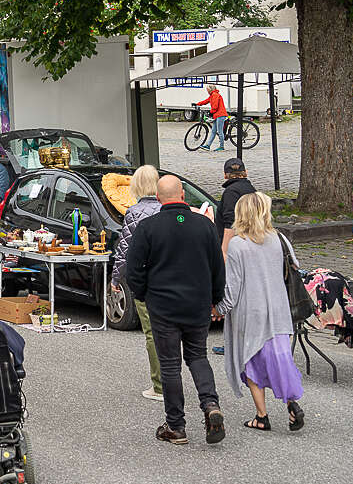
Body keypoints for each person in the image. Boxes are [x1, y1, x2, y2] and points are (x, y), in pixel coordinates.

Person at [126, 175, 226, 446]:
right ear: (183, 195)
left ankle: (176, 425)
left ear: (158, 198)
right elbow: (218, 267)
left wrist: (144, 294)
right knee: (198, 356)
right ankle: (211, 404)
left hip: (163, 306)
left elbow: (133, 270)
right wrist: (215, 298)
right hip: (197, 304)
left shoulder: (148, 227)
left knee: (170, 364)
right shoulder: (204, 225)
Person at [214, 192, 305, 433]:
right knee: (280, 358)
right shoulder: (279, 238)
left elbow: (233, 287)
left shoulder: (237, 244)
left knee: (252, 362)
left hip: (250, 312)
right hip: (279, 309)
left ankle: (261, 416)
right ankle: (291, 403)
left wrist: (219, 309)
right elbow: (295, 266)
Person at [111, 164, 164, 401]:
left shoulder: (133, 212)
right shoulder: (165, 209)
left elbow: (124, 250)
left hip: (146, 281)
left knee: (152, 332)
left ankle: (159, 385)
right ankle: (172, 378)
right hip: (168, 278)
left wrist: (116, 278)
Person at [216, 158, 256, 255]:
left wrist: (224, 252)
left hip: (236, 246)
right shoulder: (251, 189)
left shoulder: (230, 192)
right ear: (246, 172)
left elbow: (230, 223)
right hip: (251, 241)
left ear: (225, 175)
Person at [195, 83, 229, 152]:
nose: (207, 91)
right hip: (216, 115)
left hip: (220, 115)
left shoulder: (215, 95)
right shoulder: (212, 95)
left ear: (210, 90)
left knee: (220, 131)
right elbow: (206, 101)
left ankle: (222, 147)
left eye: (207, 90)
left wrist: (211, 112)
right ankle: (208, 146)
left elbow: (215, 106)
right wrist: (197, 104)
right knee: (213, 131)